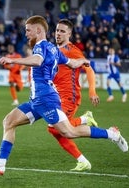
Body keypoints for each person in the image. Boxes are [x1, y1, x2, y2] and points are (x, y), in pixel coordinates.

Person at [0, 15, 128, 175]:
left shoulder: (41, 46)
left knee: (69, 132)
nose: (26, 34)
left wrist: (13, 60)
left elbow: (37, 61)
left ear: (38, 30)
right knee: (9, 121)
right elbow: (72, 63)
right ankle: (0, 164)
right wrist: (83, 62)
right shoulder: (53, 49)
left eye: (28, 30)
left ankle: (111, 134)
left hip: (46, 99)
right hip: (36, 100)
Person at [48, 19, 100, 171]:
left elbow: (89, 68)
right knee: (56, 129)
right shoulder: (53, 50)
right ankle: (82, 160)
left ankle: (87, 121)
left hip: (70, 97)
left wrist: (92, 91)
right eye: (57, 30)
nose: (58, 33)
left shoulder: (73, 50)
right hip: (56, 96)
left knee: (54, 127)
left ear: (69, 34)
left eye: (62, 31)